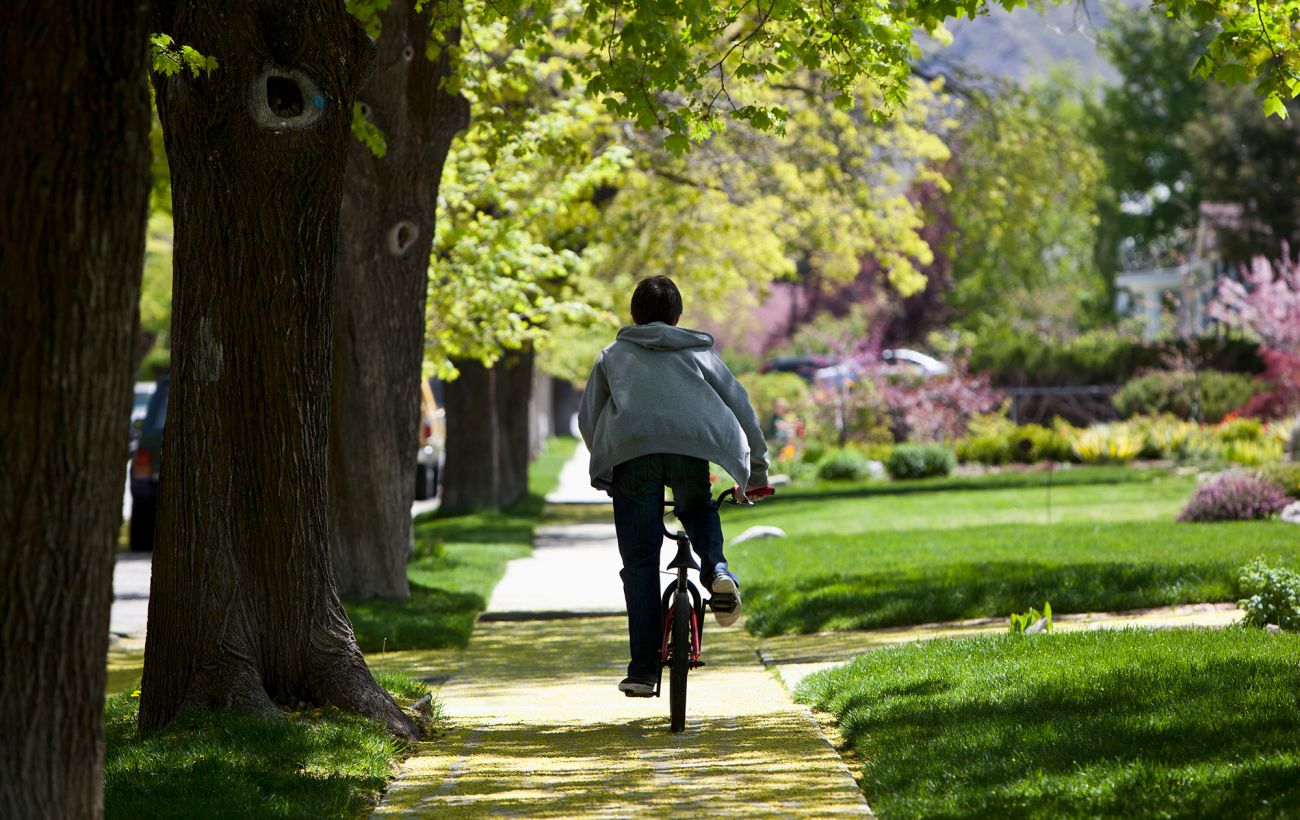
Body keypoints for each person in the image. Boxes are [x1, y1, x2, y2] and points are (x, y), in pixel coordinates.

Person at [578, 275, 771, 696]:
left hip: (633, 456)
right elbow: (740, 404)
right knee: (698, 508)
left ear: (634, 316)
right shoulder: (700, 352)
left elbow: (588, 418)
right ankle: (717, 570)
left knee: (641, 563)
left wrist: (607, 460)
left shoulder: (613, 355)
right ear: (678, 317)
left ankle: (643, 672)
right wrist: (757, 472)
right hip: (692, 449)